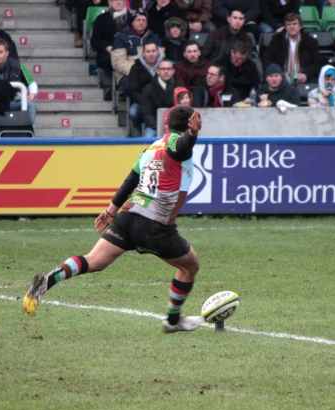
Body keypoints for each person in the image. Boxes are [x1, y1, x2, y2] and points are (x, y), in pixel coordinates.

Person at [23, 106, 205, 335]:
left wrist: (110, 211)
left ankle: (47, 281)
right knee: (190, 265)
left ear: (166, 122)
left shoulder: (151, 148)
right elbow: (182, 147)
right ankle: (172, 320)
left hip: (127, 218)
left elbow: (130, 181)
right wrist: (193, 135)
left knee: (93, 261)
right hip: (155, 225)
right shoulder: (175, 143)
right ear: (189, 123)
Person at [0, 39, 38, 124]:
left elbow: (31, 82)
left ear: (6, 53)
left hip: (13, 102)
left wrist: (33, 94)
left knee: (31, 105)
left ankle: (29, 134)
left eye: (0, 52)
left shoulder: (17, 65)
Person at [261, 12, 322, 85]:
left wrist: (306, 74)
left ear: (300, 26)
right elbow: (267, 59)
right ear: (285, 27)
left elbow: (317, 63)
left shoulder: (310, 42)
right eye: (289, 24)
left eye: (294, 24)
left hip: (303, 80)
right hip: (280, 80)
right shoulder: (276, 40)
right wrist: (277, 73)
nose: (291, 27)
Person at [111, 11, 162, 86]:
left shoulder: (153, 37)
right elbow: (118, 62)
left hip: (152, 72)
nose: (141, 22)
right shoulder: (121, 37)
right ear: (132, 22)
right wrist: (138, 72)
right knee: (138, 84)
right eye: (138, 20)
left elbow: (160, 57)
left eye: (144, 20)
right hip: (128, 74)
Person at [127, 42, 163, 133]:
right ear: (143, 54)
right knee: (133, 112)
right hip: (142, 101)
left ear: (158, 52)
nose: (151, 54)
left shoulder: (165, 66)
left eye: (153, 51)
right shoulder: (135, 68)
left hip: (162, 100)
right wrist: (145, 101)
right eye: (148, 51)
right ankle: (140, 131)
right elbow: (133, 91)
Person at [91, 0, 131, 75]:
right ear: (109, 2)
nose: (118, 2)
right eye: (115, 0)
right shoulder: (101, 18)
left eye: (121, 0)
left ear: (125, 2)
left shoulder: (132, 17)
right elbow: (95, 40)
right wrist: (106, 46)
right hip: (108, 53)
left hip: (130, 50)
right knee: (114, 58)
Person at [141, 59, 177, 137]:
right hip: (154, 127)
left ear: (173, 71)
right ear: (158, 71)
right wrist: (158, 127)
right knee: (148, 136)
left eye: (169, 69)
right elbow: (147, 113)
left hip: (176, 127)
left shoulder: (179, 87)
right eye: (163, 69)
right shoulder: (148, 89)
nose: (166, 71)